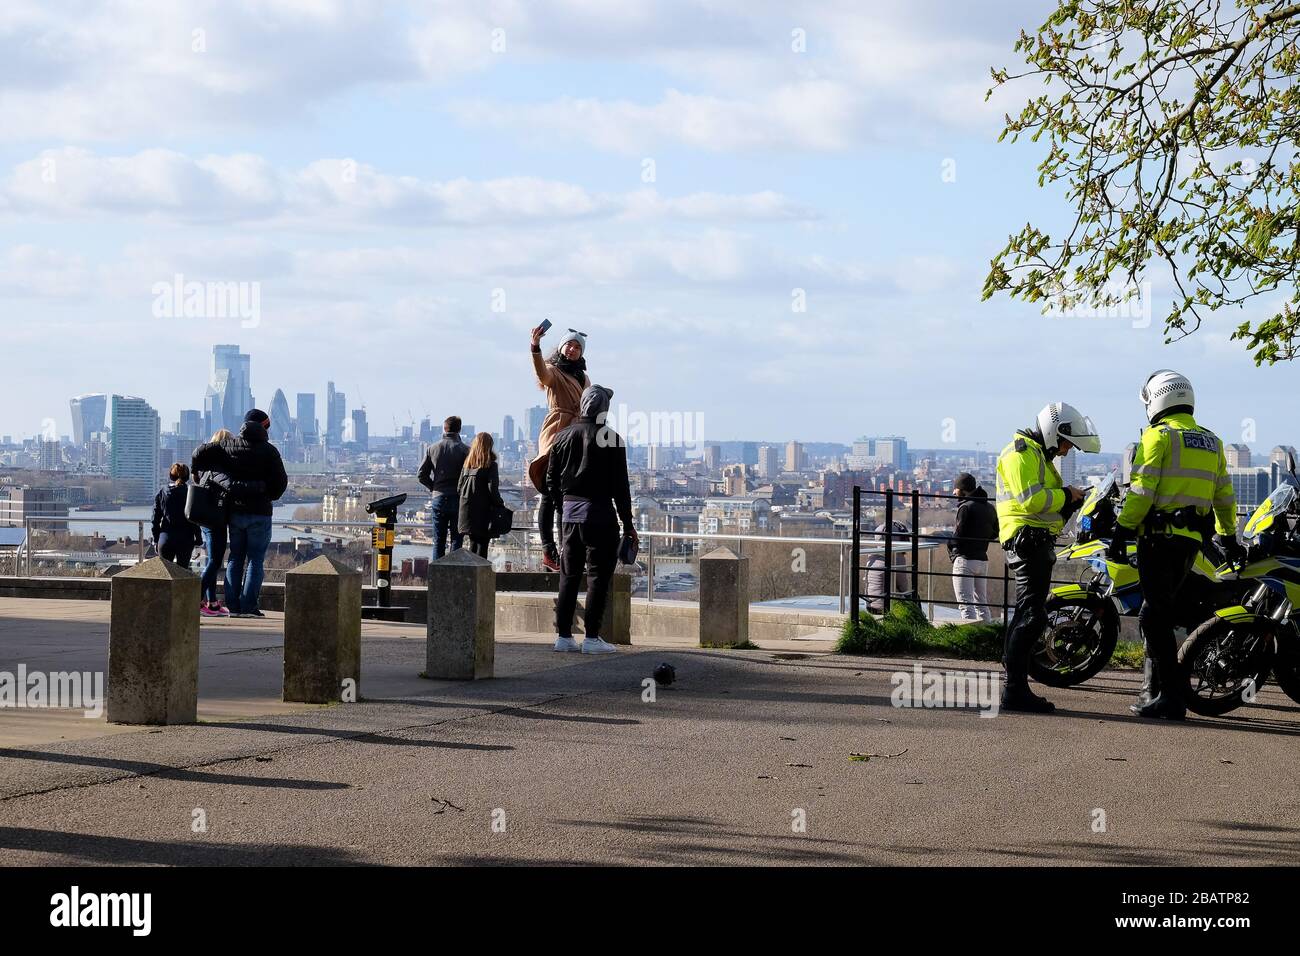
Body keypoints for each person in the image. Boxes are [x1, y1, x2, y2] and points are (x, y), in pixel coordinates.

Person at [1108, 370, 1238, 720]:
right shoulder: (1213, 441)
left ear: (1156, 400)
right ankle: (1168, 692)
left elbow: (1141, 492)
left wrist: (1122, 530)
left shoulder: (1157, 437)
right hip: (1191, 541)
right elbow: (1224, 496)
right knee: (1163, 611)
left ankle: (1171, 696)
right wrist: (1229, 537)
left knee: (1153, 615)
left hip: (1157, 538)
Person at [996, 402, 1100, 712]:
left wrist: (1070, 498)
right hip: (1026, 541)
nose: (1067, 451)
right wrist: (1068, 495)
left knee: (1027, 613)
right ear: (1056, 433)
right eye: (1067, 443)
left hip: (1034, 540)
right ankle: (1013, 690)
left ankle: (1013, 683)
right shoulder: (1021, 452)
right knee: (1032, 616)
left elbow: (1047, 502)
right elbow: (1033, 500)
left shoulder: (1036, 454)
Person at [546, 384, 637, 655]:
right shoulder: (612, 439)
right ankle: (592, 637)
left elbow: (550, 481)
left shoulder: (562, 437)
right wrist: (628, 524)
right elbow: (622, 488)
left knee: (569, 576)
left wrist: (562, 505)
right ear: (604, 409)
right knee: (598, 577)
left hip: (570, 515)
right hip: (601, 515)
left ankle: (564, 636)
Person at [529, 325, 591, 571]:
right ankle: (548, 549)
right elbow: (541, 373)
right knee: (548, 492)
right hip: (556, 432)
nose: (573, 349)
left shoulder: (583, 377)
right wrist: (535, 347)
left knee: (566, 496)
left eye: (577, 347)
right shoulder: (554, 372)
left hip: (577, 434)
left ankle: (566, 550)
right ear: (562, 347)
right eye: (570, 345)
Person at [220, 409, 288, 618]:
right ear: (264, 427)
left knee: (234, 559)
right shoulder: (270, 451)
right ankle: (248, 606)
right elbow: (280, 483)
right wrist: (268, 494)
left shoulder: (228, 446)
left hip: (235, 512)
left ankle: (233, 606)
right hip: (260, 512)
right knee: (255, 560)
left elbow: (218, 474)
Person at [417, 416, 469, 559]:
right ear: (459, 429)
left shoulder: (432, 448)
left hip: (439, 498)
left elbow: (421, 475)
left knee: (438, 541)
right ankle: (454, 574)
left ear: (444, 429)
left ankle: (437, 577)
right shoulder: (465, 450)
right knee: (456, 540)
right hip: (459, 499)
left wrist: (434, 487)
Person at [949, 473, 998, 622]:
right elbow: (996, 532)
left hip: (965, 560)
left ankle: (970, 639)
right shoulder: (989, 507)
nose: (953, 492)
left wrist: (952, 550)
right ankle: (986, 635)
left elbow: (958, 535)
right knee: (982, 604)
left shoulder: (965, 508)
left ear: (963, 489)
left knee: (966, 605)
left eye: (956, 488)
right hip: (982, 560)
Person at [457, 432, 505, 558]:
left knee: (472, 544)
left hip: (467, 511)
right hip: (484, 512)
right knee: (483, 546)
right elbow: (492, 489)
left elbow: (459, 488)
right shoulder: (491, 465)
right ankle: (481, 575)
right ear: (489, 446)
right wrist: (500, 504)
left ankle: (471, 575)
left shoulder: (467, 465)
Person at [151, 463, 199, 570]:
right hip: (185, 539)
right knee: (182, 574)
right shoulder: (191, 493)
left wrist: (156, 539)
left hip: (165, 538)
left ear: (171, 476)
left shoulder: (162, 493)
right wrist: (199, 539)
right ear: (187, 477)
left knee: (165, 575)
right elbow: (194, 520)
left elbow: (155, 520)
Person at [864, 519, 911, 613]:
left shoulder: (873, 556)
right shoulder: (896, 557)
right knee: (913, 595)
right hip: (886, 607)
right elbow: (903, 586)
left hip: (871, 605)